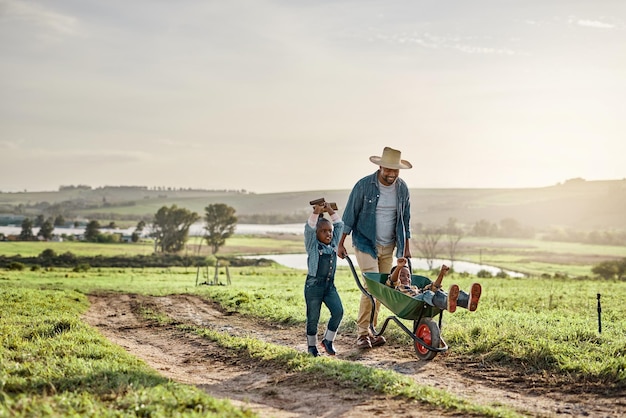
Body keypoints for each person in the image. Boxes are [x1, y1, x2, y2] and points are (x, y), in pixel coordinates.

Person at [338, 146, 413, 349]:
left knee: (382, 290)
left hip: (389, 246)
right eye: (387, 169)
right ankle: (362, 333)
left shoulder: (402, 188)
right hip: (365, 243)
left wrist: (405, 247)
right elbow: (349, 215)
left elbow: (405, 220)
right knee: (371, 289)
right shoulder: (364, 186)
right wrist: (341, 242)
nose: (391, 174)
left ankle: (371, 329)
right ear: (380, 167)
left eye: (395, 171)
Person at [304, 201, 344, 357]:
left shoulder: (334, 244)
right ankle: (311, 346)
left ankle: (328, 340)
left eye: (330, 231)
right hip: (313, 287)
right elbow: (309, 229)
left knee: (338, 311)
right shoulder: (313, 246)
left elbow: (339, 225)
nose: (328, 234)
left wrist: (330, 211)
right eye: (324, 231)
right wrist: (316, 212)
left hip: (329, 287)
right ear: (317, 233)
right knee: (313, 317)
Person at [387, 258, 482, 312]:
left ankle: (467, 301)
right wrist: (399, 267)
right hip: (409, 305)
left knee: (438, 291)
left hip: (422, 301)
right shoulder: (397, 287)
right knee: (428, 294)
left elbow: (433, 287)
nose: (406, 278)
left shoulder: (414, 288)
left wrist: (441, 273)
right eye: (402, 275)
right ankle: (446, 302)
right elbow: (393, 280)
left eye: (408, 275)